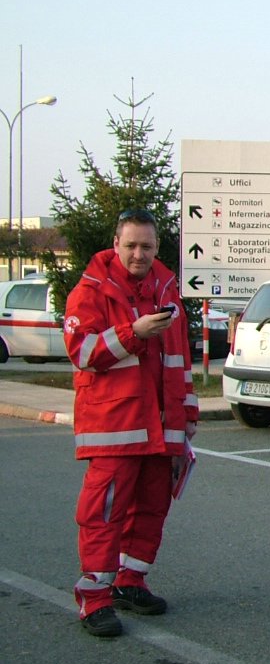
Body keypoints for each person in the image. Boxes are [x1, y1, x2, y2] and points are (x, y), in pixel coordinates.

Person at [63, 207, 198, 637]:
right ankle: (95, 600)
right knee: (103, 516)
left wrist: (189, 411)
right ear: (116, 244)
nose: (138, 254)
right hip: (115, 428)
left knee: (152, 509)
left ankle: (130, 582)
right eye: (131, 245)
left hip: (161, 427)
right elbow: (82, 353)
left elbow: (180, 359)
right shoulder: (90, 291)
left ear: (157, 247)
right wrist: (132, 332)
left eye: (146, 246)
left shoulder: (166, 287)